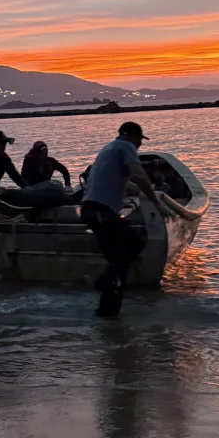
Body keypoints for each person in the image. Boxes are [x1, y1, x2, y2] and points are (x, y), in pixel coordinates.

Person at [80, 122, 163, 318]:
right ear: (133, 137)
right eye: (140, 141)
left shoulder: (109, 148)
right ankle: (104, 297)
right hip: (102, 212)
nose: (139, 146)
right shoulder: (126, 147)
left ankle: (105, 311)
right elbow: (138, 174)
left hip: (89, 210)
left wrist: (131, 188)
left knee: (123, 254)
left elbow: (116, 180)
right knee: (128, 252)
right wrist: (155, 201)